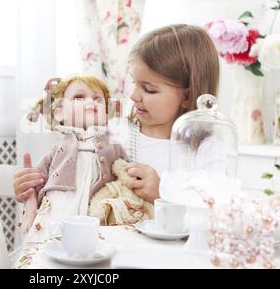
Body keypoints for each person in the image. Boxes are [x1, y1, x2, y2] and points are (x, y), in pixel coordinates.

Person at [14, 23, 220, 207]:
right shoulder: (109, 133)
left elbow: (214, 212)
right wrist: (32, 186)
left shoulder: (205, 150)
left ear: (188, 96)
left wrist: (162, 193)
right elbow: (68, 179)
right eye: (134, 82)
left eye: (149, 89)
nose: (133, 95)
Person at [20, 75, 128, 241]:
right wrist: (30, 213)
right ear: (59, 112)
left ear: (106, 115)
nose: (91, 102)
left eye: (98, 99)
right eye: (79, 97)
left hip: (98, 217)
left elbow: (128, 179)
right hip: (57, 212)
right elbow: (32, 188)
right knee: (50, 253)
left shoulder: (115, 147)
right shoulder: (57, 149)